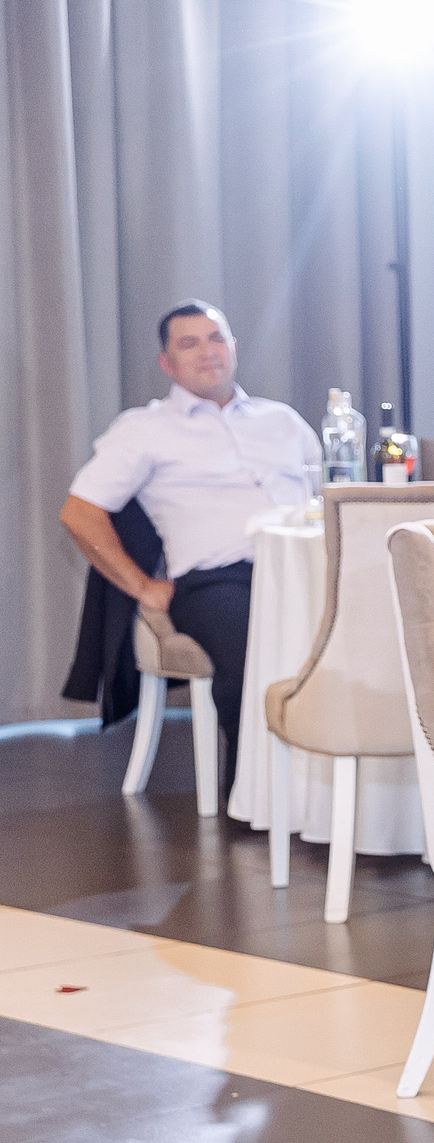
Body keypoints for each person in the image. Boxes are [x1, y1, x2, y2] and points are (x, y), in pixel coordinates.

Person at [59, 303, 319, 796]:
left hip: (305, 566)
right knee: (252, 649)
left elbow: (327, 497)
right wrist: (142, 586)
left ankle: (350, 795)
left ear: (233, 348)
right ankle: (258, 798)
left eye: (216, 338)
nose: (207, 351)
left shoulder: (283, 421)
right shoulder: (144, 429)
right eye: (189, 343)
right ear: (167, 362)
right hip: (216, 581)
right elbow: (79, 512)